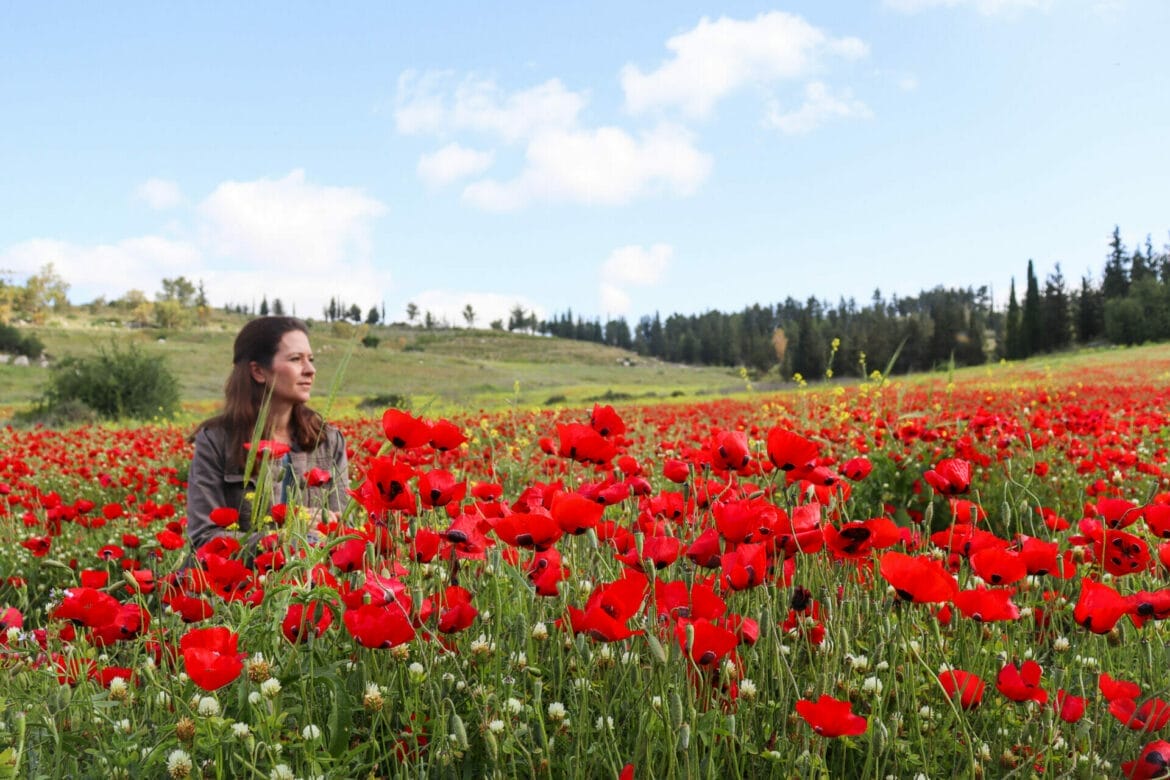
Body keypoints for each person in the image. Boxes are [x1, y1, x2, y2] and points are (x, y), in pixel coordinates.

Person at [186, 316, 349, 557]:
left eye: (311, 360)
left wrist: (331, 529)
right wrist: (283, 538)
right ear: (258, 371)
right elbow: (204, 538)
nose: (310, 370)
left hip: (310, 585)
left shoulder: (327, 441)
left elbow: (345, 532)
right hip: (237, 589)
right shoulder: (216, 441)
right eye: (296, 359)